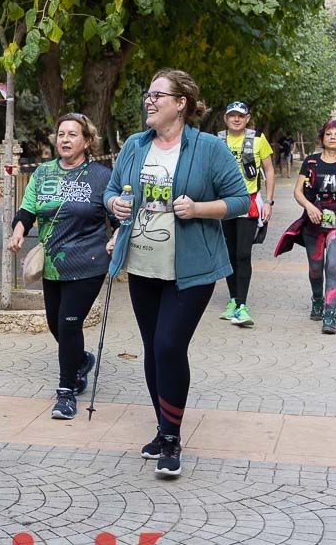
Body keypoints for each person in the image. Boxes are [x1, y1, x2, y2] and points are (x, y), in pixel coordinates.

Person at [104, 69, 249, 478]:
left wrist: (199, 209)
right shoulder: (134, 146)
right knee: (153, 348)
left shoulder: (207, 149)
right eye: (147, 95)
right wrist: (114, 205)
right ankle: (164, 427)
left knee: (169, 345)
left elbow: (240, 201)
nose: (148, 101)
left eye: (157, 95)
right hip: (143, 265)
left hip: (192, 268)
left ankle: (171, 437)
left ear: (181, 102)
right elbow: (111, 190)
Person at [8, 113, 114, 420]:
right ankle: (80, 360)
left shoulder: (101, 177)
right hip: (53, 264)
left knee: (68, 324)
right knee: (56, 325)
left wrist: (116, 236)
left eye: (73, 134)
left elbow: (117, 216)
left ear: (87, 141)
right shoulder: (43, 173)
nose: (65, 139)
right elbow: (27, 211)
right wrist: (17, 232)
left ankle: (66, 392)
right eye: (61, 134)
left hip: (89, 262)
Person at [273, 119, 336, 334]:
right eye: (329, 133)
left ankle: (330, 314)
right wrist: (309, 207)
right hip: (314, 220)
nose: (333, 137)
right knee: (315, 268)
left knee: (332, 264)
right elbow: (297, 191)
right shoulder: (311, 163)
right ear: (322, 137)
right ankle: (318, 299)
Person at [216, 101, 276, 327]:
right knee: (229, 254)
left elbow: (269, 171)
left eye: (240, 116)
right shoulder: (217, 141)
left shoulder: (258, 139)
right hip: (224, 204)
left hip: (249, 202)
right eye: (232, 115)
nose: (236, 119)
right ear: (225, 118)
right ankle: (232, 300)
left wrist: (268, 202)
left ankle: (242, 304)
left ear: (247, 118)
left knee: (243, 253)